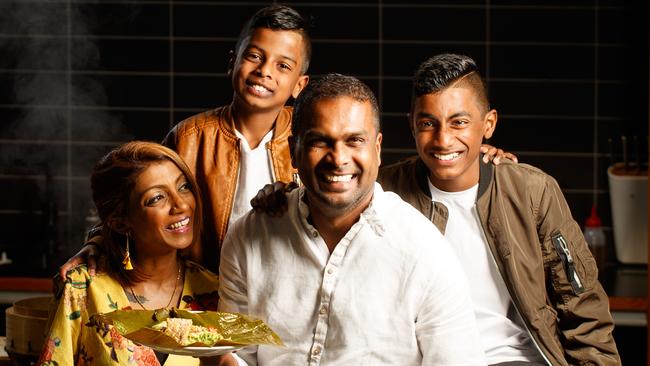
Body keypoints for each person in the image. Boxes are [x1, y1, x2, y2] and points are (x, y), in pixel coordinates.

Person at [215, 73, 485, 365]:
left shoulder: (425, 251)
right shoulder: (249, 236)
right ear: (294, 150)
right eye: (320, 141)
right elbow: (238, 353)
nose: (338, 158)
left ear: (377, 148)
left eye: (354, 141)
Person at [377, 54, 620, 365]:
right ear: (411, 124)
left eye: (459, 122)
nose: (443, 139)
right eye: (428, 123)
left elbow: (584, 306)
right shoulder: (383, 194)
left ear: (488, 124)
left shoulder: (532, 191)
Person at [60, 4, 311, 275]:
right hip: (204, 296)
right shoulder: (189, 137)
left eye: (283, 65)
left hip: (285, 296)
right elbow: (137, 202)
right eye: (254, 56)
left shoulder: (309, 136)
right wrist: (98, 241)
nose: (264, 71)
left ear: (300, 85)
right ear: (232, 62)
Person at [38, 142, 221, 366]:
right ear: (120, 222)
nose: (181, 204)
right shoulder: (81, 288)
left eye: (183, 187)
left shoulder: (213, 291)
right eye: (157, 198)